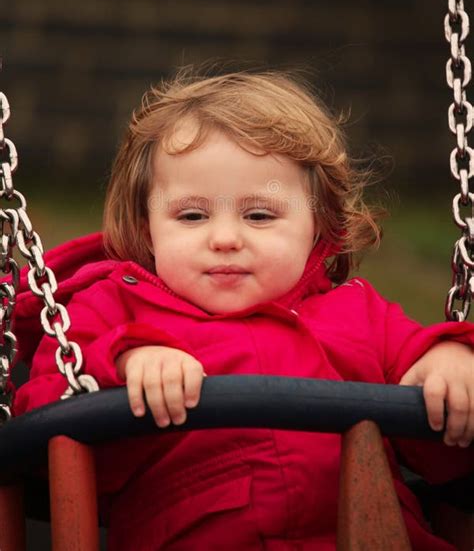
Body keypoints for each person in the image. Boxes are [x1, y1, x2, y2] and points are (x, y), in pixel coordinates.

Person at [13, 67, 474, 550]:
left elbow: (445, 460)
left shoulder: (359, 313)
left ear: (318, 224)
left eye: (259, 215)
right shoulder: (114, 308)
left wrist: (448, 366)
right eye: (191, 215)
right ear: (148, 227)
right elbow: (45, 417)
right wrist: (125, 361)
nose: (226, 239)